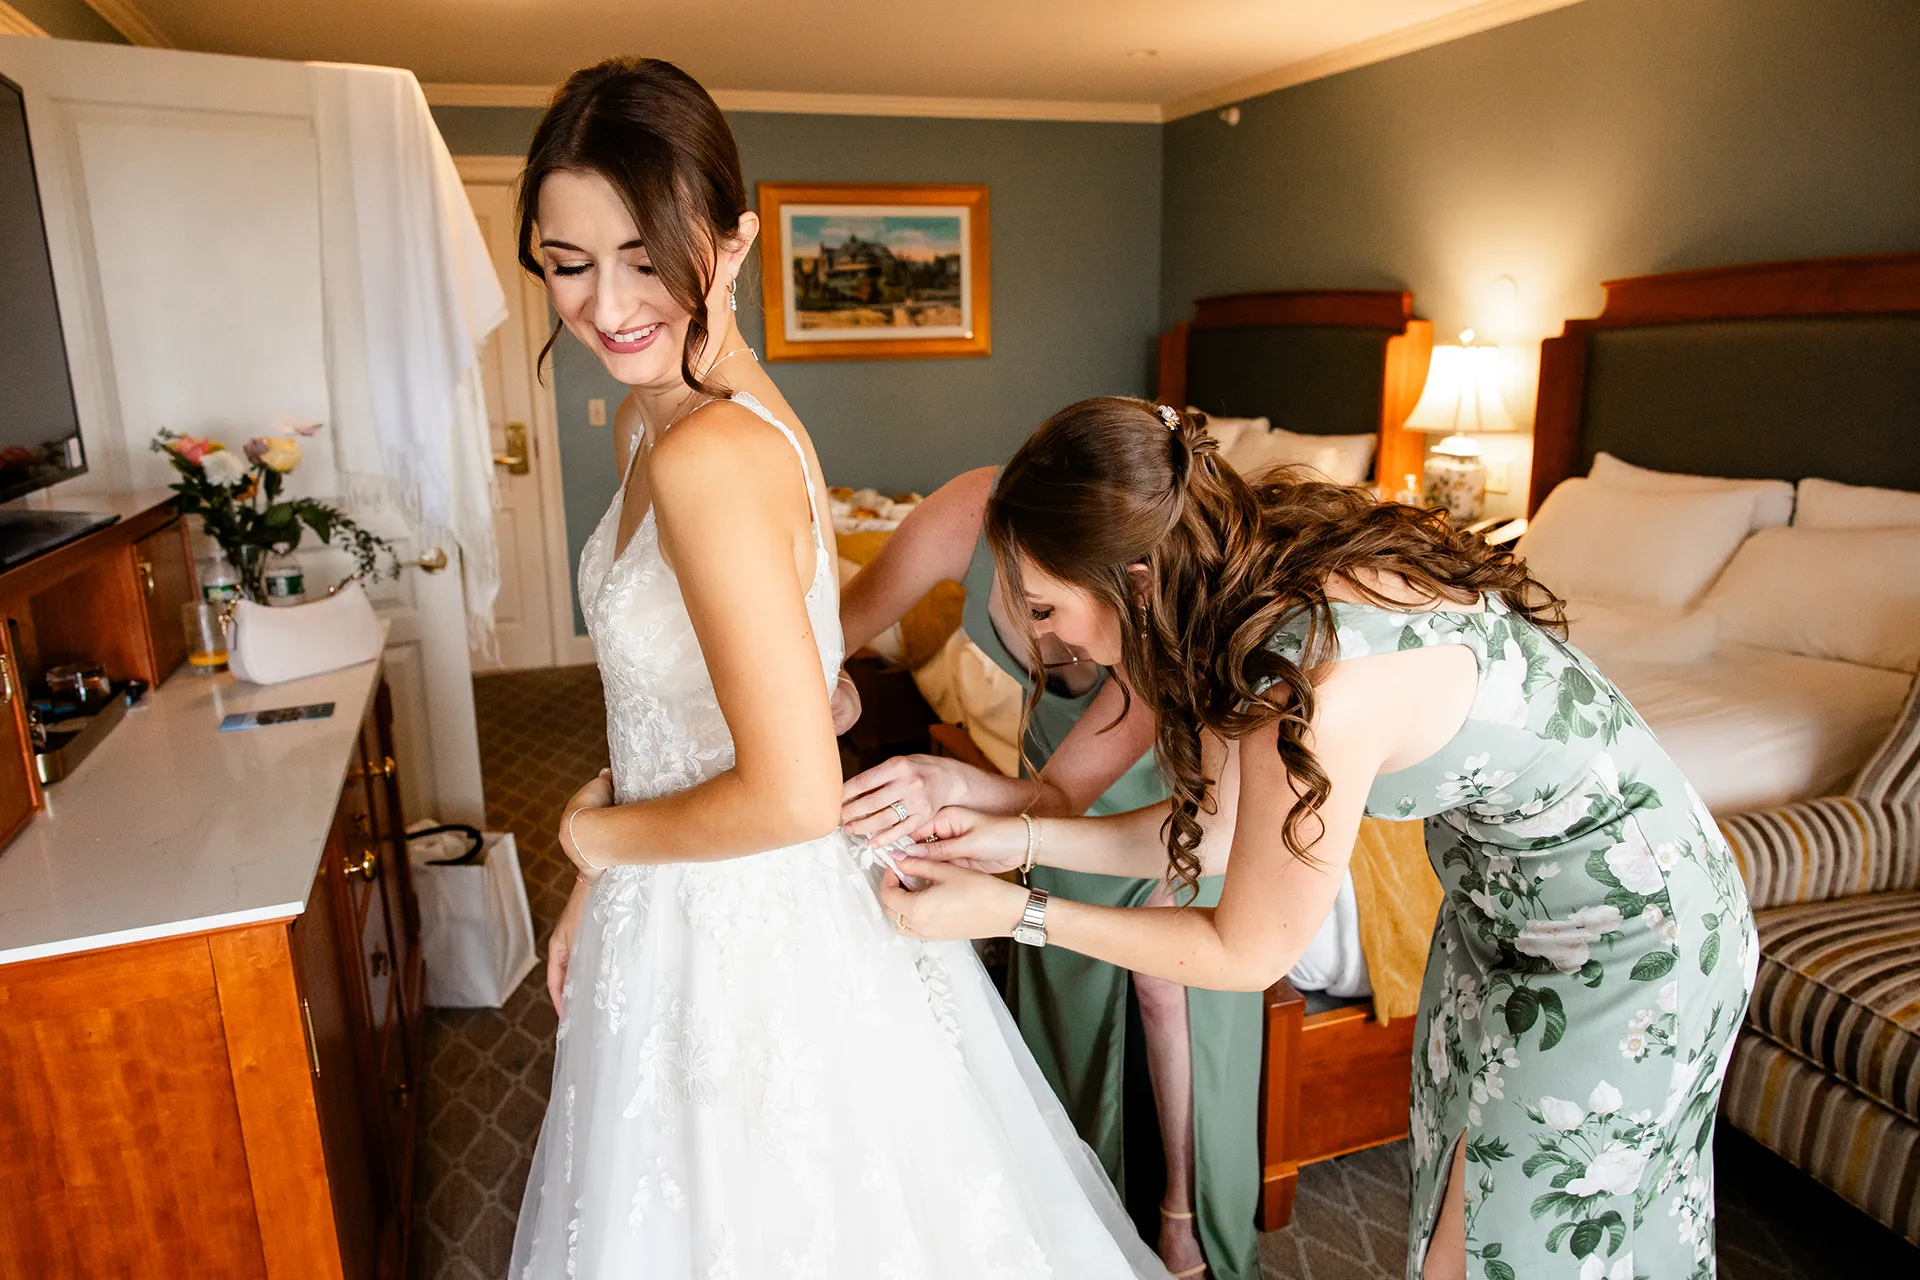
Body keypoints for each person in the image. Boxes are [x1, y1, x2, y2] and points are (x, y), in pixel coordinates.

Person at [510, 61, 1171, 1278]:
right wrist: (603, 884)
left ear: (736, 241)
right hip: (698, 889)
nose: (607, 305)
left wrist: (594, 844)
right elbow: (685, 695)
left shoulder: (712, 451)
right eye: (567, 261)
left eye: (647, 255)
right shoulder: (683, 413)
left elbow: (796, 791)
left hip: (739, 912)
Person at [881, 397, 1758, 1280]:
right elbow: (1209, 839)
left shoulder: (1313, 684)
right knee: (1472, 1225)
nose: (1043, 640)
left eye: (1044, 608)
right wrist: (1018, 840)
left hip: (1637, 939)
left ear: (1137, 580)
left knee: (1494, 1255)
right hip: (1500, 921)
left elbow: (1245, 948)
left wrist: (1014, 910)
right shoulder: (1243, 593)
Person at [835, 467, 1260, 1280]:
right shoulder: (970, 513)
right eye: (1028, 608)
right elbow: (1060, 791)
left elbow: (1206, 841)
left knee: (1171, 997)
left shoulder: (1191, 616)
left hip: (1173, 808)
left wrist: (1008, 854)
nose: (1054, 641)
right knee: (1063, 1055)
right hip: (1060, 812)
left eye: (1046, 610)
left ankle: (1188, 1227)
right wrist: (947, 779)